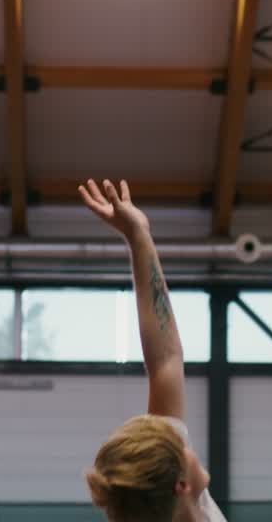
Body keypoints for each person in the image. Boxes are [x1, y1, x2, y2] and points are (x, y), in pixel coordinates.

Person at [79, 179, 226, 522]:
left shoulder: (168, 496)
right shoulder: (173, 489)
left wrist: (137, 234)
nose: (186, 444)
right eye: (181, 448)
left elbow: (165, 361)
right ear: (181, 484)